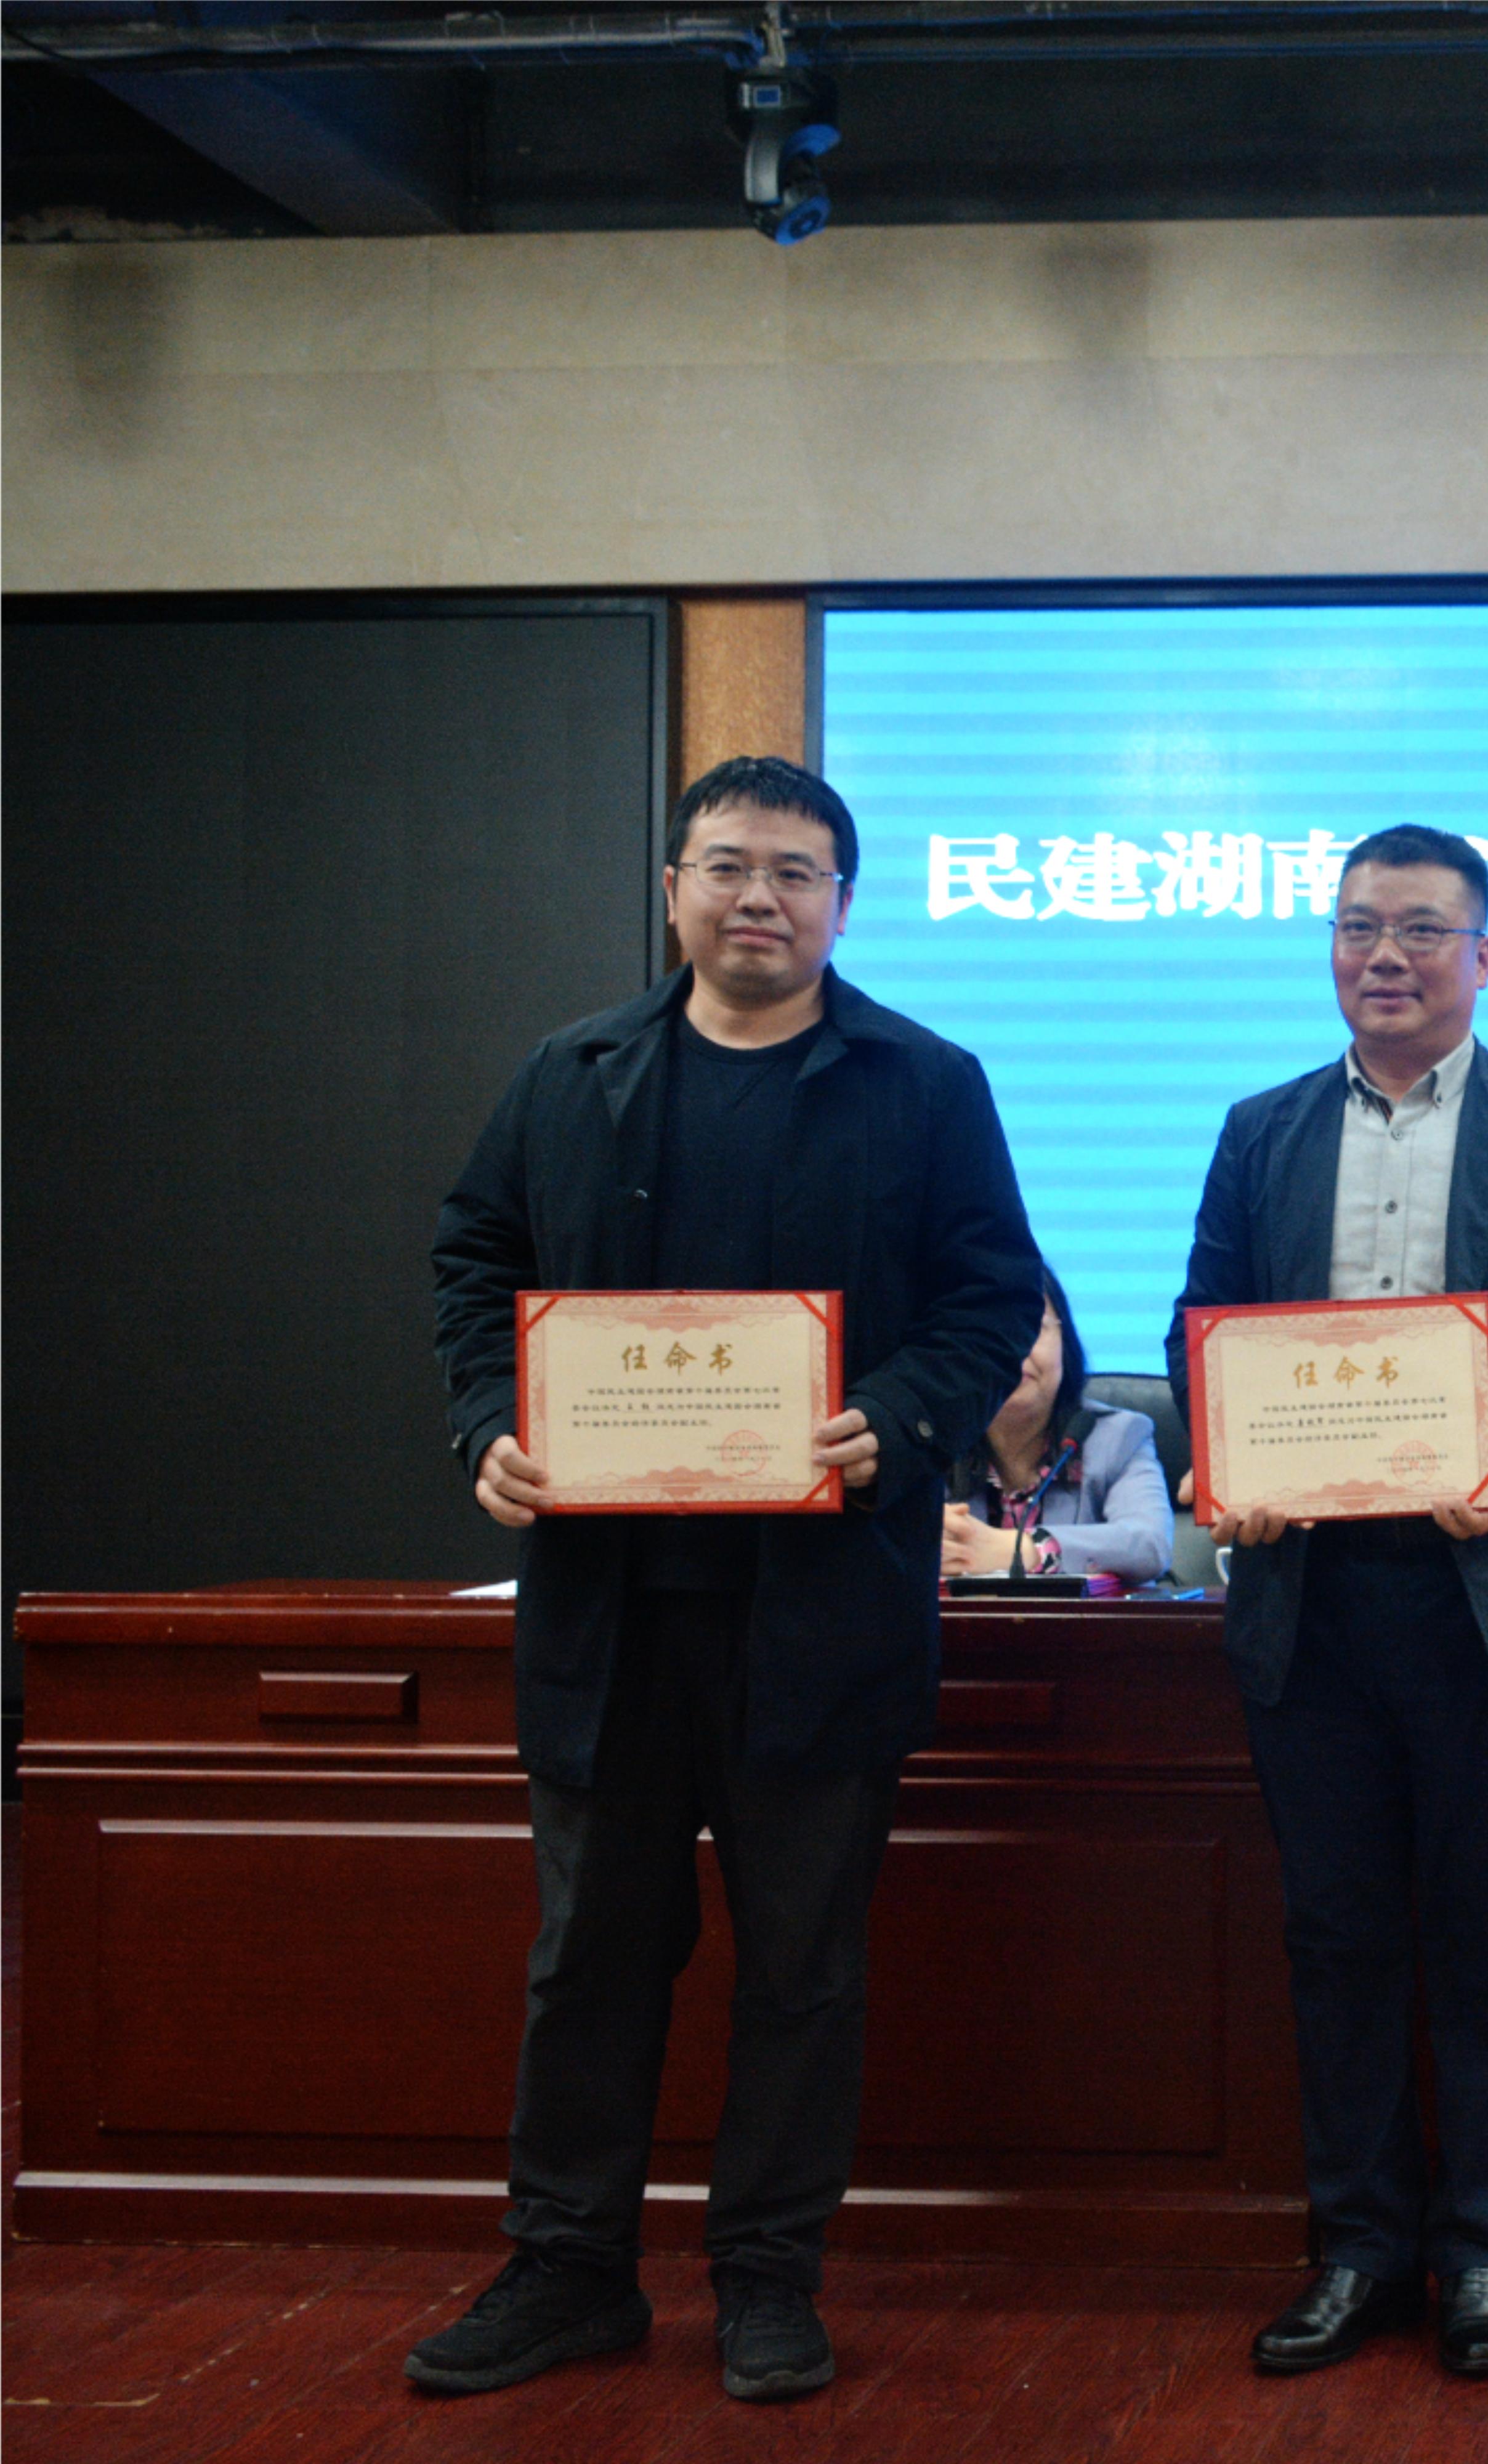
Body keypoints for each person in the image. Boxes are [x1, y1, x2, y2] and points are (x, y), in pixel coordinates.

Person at [417, 756, 1042, 2402]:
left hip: (818, 1607)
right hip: (609, 1607)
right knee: (591, 1956)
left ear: (843, 903)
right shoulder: (573, 1071)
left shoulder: (926, 1082)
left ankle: (768, 2276)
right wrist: (490, 1419)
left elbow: (992, 1299)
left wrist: (896, 1417)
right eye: (727, 866)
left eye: (794, 872)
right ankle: (569, 2269)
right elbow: (476, 1256)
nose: (758, 896)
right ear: (674, 889)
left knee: (802, 1963)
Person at [1168, 824, 1488, 2381]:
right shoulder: (1261, 1129)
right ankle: (1359, 2247)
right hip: (1311, 1598)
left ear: (1483, 956)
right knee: (1338, 1941)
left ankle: (1484, 2252)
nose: (1384, 956)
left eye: (1421, 929)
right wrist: (1222, 1455)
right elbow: (1201, 1321)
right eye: (1357, 926)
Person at [944, 1260, 1173, 1585]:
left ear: (1065, 1341)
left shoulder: (1119, 1437)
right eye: (990, 1332)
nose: (1015, 1350)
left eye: (1032, 1327)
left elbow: (1149, 1544)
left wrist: (1022, 1549)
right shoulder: (934, 1441)